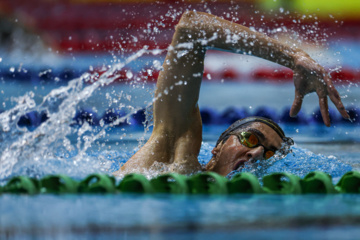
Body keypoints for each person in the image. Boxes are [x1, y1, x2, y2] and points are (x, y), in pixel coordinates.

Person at [114, 11, 349, 176]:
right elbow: (191, 28)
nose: (257, 153)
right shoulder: (172, 157)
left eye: (269, 154)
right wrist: (294, 57)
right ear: (217, 148)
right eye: (251, 139)